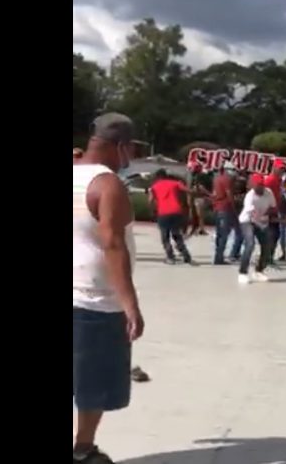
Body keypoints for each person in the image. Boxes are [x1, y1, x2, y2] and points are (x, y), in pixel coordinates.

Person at [73, 113, 145, 464]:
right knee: (94, 385)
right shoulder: (107, 184)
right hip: (95, 303)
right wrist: (130, 304)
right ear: (122, 146)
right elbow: (112, 244)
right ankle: (83, 450)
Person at [149, 169, 196, 265]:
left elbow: (150, 200)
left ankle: (170, 257)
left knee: (165, 237)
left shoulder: (154, 187)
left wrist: (152, 211)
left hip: (163, 213)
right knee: (176, 235)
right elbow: (189, 191)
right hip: (176, 212)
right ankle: (186, 256)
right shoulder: (175, 183)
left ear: (158, 177)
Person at [237, 173, 277, 286]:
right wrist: (261, 218)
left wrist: (266, 215)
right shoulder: (250, 196)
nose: (260, 187)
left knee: (267, 245)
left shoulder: (269, 193)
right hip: (247, 221)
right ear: (253, 185)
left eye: (262, 185)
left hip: (262, 222)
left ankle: (259, 271)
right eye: (258, 185)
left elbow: (273, 208)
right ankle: (242, 273)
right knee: (250, 244)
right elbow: (252, 213)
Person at [212, 162, 242, 265]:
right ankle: (219, 258)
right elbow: (229, 195)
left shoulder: (216, 178)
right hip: (226, 209)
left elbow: (214, 194)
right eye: (233, 170)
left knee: (220, 234)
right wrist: (234, 209)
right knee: (225, 235)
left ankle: (219, 255)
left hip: (217, 208)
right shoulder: (227, 180)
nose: (234, 172)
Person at [264, 160, 285, 264]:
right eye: (280, 168)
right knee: (272, 234)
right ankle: (267, 257)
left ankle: (269, 256)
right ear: (274, 168)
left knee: (275, 234)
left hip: (275, 210)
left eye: (283, 168)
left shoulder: (279, 180)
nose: (282, 170)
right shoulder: (269, 180)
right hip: (269, 211)